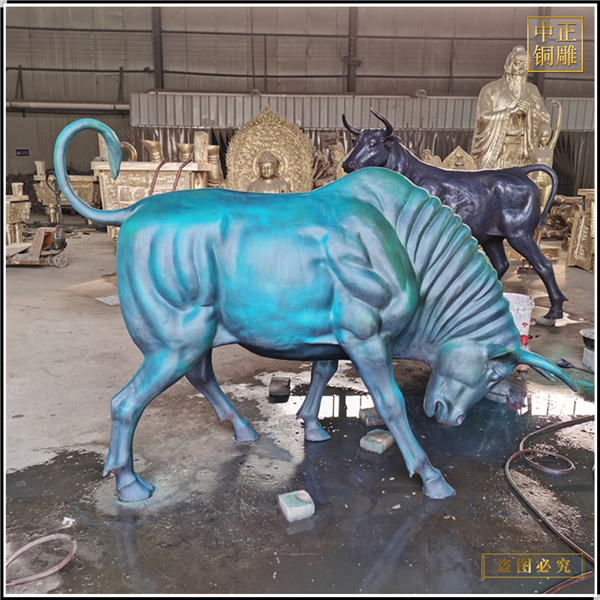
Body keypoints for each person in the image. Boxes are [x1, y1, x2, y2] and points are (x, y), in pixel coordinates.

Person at [471, 45, 550, 170]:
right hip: (499, 148)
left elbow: (545, 119)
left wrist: (532, 112)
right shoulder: (491, 90)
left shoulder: (533, 91)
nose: (523, 68)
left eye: (526, 64)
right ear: (507, 66)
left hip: (525, 149)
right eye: (518, 63)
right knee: (497, 179)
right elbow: (482, 117)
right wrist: (511, 112)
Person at [529, 100, 562, 213]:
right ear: (538, 136)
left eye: (547, 137)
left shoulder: (550, 148)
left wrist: (560, 109)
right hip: (534, 181)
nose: (545, 139)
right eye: (543, 137)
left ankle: (541, 224)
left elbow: (557, 129)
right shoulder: (533, 148)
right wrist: (529, 111)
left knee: (544, 208)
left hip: (548, 182)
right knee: (532, 207)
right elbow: (529, 130)